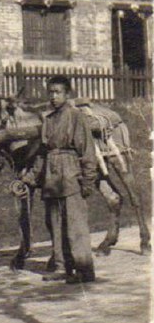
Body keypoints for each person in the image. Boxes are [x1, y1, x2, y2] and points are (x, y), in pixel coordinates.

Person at [21, 76, 98, 284]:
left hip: (71, 176)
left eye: (58, 92)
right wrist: (31, 177)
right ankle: (62, 266)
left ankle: (84, 269)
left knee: (75, 226)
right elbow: (43, 154)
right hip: (51, 179)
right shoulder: (48, 119)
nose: (53, 97)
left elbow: (87, 152)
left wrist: (88, 180)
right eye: (51, 92)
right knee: (54, 224)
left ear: (67, 94)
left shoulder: (76, 117)